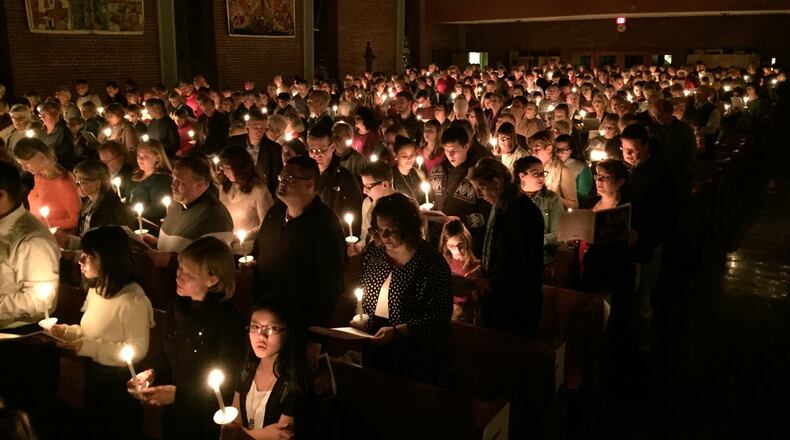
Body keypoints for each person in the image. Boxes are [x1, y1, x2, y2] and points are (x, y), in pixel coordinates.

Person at [132, 237, 246, 439]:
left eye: (189, 275)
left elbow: (227, 384)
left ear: (213, 279)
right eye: (179, 269)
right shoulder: (177, 306)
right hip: (175, 414)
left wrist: (178, 394)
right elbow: (169, 352)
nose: (179, 277)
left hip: (206, 419)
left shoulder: (228, 320)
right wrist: (152, 374)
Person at [48, 226, 154, 440]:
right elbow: (91, 331)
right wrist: (68, 332)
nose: (81, 260)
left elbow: (137, 350)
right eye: (82, 254)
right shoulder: (98, 289)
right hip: (95, 374)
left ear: (109, 259)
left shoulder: (133, 300)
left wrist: (86, 347)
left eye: (89, 256)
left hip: (119, 384)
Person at [253, 156, 346, 369]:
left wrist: (316, 338)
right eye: (282, 176)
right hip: (266, 318)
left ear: (310, 184)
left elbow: (329, 286)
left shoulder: (325, 225)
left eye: (290, 178)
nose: (282, 182)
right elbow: (259, 250)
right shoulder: (274, 213)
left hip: (299, 323)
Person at [356, 193, 455, 387]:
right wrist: (360, 317)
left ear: (408, 228)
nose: (383, 237)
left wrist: (398, 331)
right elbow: (362, 292)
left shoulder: (430, 263)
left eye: (391, 231)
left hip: (415, 356)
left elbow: (439, 317)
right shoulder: (374, 252)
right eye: (378, 230)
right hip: (375, 347)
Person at [468, 158, 544, 337]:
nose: (478, 194)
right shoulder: (501, 205)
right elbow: (500, 249)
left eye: (481, 187)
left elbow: (528, 268)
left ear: (496, 181)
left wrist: (491, 281)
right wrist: (483, 267)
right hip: (498, 299)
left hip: (516, 306)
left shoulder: (525, 213)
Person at [223, 297, 313, 438]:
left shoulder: (294, 381)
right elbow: (235, 422)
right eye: (255, 327)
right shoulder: (246, 370)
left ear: (288, 333)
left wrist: (242, 435)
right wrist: (260, 435)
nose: (261, 336)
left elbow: (281, 436)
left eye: (272, 328)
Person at [428, 125, 490, 255]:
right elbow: (431, 202)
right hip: (439, 242)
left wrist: (463, 220)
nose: (450, 155)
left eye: (454, 150)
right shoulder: (436, 172)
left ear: (466, 146)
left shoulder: (477, 175)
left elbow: (487, 215)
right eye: (446, 150)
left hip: (465, 245)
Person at [156, 152, 234, 253]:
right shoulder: (179, 204)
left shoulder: (215, 218)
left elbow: (211, 263)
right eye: (173, 178)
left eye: (180, 181)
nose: (173, 185)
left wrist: (169, 260)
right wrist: (157, 243)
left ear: (199, 185)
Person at [54, 160, 134, 249]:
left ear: (97, 183)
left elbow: (104, 244)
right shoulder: (88, 203)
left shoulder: (112, 210)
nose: (77, 185)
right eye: (76, 181)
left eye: (82, 181)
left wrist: (70, 242)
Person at [13, 137, 81, 230]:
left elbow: (76, 220)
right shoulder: (38, 176)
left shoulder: (64, 182)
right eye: (21, 164)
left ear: (41, 156)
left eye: (26, 163)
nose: (24, 168)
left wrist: (43, 224)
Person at [218, 145, 274, 256]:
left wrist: (241, 236)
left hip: (248, 250)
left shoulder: (259, 190)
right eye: (222, 167)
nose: (224, 172)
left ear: (239, 167)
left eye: (227, 168)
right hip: (226, 250)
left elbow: (266, 224)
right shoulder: (223, 188)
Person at [307, 125, 362, 230]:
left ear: (333, 147)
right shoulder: (303, 175)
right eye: (312, 150)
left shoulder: (345, 179)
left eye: (321, 150)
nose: (316, 155)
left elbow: (354, 214)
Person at [513, 156, 563, 264]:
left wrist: (534, 240)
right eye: (536, 173)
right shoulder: (510, 199)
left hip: (542, 259)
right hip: (514, 260)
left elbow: (559, 234)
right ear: (522, 176)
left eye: (543, 173)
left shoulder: (551, 199)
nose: (542, 177)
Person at [439, 219, 481, 324]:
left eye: (460, 245)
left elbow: (478, 306)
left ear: (467, 241)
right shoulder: (442, 264)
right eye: (452, 246)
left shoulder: (476, 267)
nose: (457, 251)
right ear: (445, 246)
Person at [129, 140, 173, 231]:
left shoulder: (161, 180)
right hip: (134, 220)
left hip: (149, 225)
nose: (140, 160)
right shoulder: (136, 174)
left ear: (157, 158)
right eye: (139, 155)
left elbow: (158, 208)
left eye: (146, 157)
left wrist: (131, 212)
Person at [529, 130, 578, 209]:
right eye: (531, 150)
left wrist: (553, 196)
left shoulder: (563, 172)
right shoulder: (531, 168)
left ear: (549, 149)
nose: (533, 154)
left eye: (536, 150)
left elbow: (574, 205)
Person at [554, 134, 593, 204]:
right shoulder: (551, 165)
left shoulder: (581, 168)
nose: (559, 153)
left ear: (571, 150)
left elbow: (583, 194)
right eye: (557, 149)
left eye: (564, 150)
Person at [39, 101, 77, 170]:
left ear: (56, 114)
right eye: (41, 114)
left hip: (60, 168)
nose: (42, 117)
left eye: (46, 114)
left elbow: (68, 153)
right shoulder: (42, 131)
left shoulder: (63, 131)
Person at [391, 135, 428, 201]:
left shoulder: (419, 174)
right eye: (404, 156)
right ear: (396, 156)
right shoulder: (390, 177)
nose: (409, 159)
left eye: (412, 154)